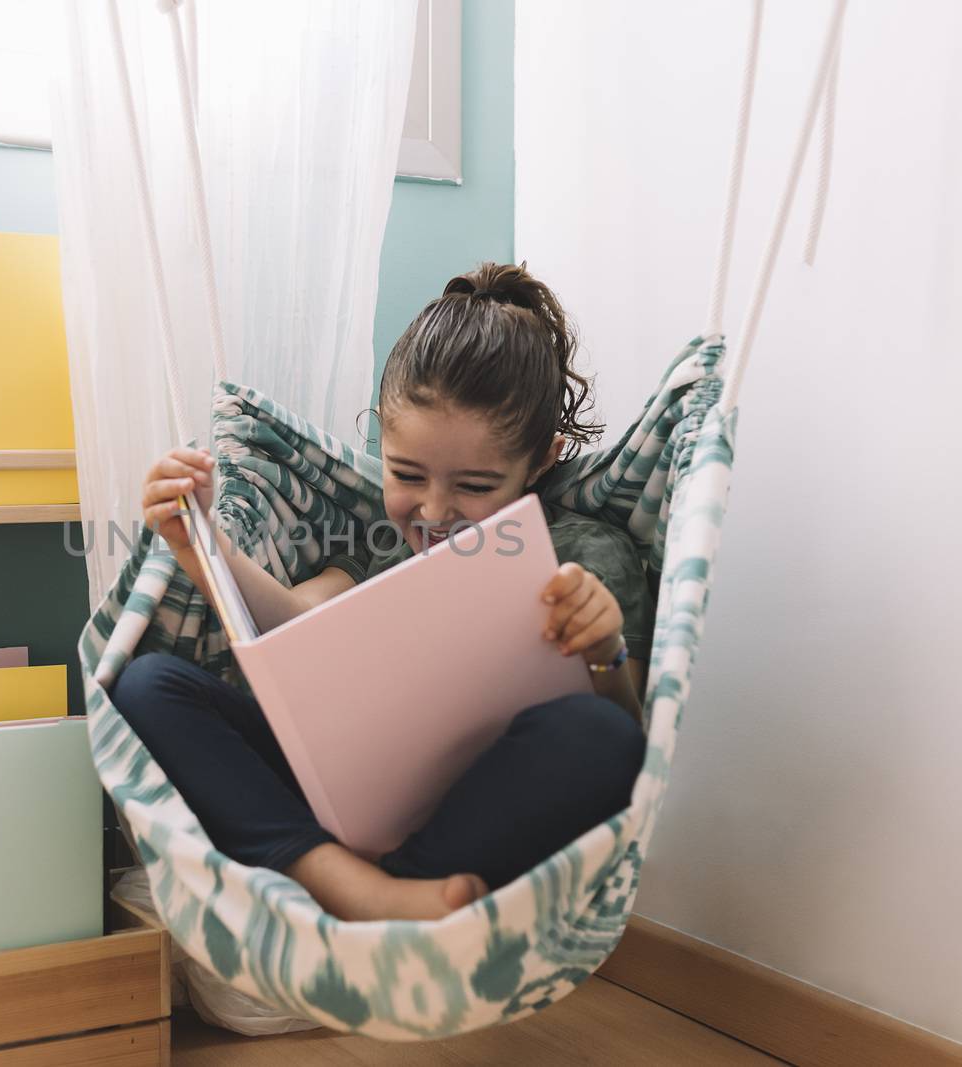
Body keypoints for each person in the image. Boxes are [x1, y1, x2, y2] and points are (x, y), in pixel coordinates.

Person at [112, 263, 650, 922]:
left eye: (475, 485)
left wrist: (604, 648)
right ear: (382, 442)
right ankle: (340, 882)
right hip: (338, 800)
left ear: (542, 459)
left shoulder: (589, 554)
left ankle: (394, 883)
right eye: (407, 473)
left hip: (476, 815)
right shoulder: (389, 540)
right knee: (149, 685)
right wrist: (204, 552)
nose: (434, 507)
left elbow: (630, 731)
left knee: (599, 734)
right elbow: (295, 625)